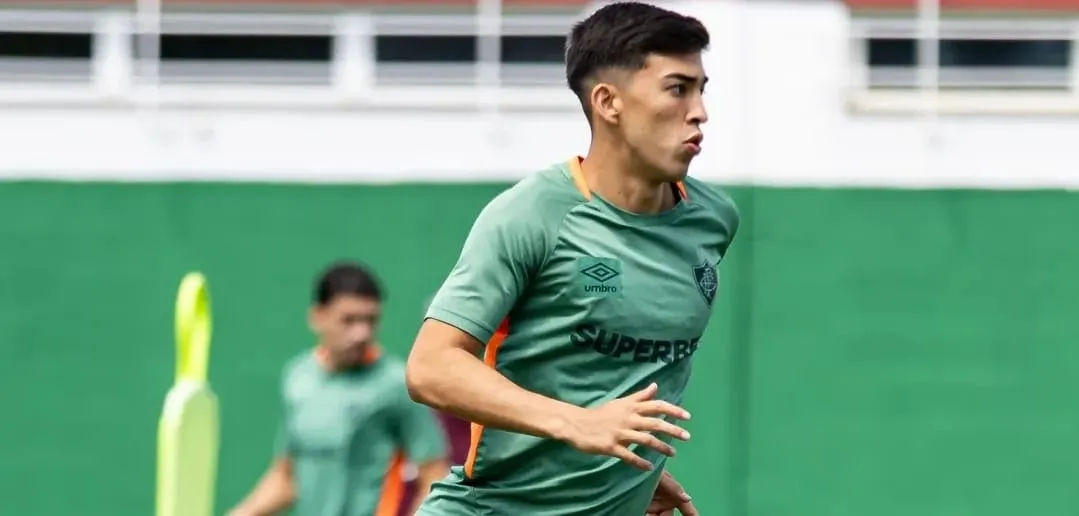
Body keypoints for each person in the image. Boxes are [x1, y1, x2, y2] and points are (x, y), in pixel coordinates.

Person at [404, 2, 739, 515]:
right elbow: (431, 368)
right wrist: (577, 423)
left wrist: (623, 473)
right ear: (608, 102)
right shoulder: (530, 215)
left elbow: (613, 372)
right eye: (677, 89)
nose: (700, 111)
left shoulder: (713, 219)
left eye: (701, 89)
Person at [229, 262, 449, 516]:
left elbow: (433, 476)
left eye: (370, 320)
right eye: (349, 320)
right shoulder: (298, 378)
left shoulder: (397, 383)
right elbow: (286, 479)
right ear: (317, 317)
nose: (361, 333)